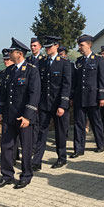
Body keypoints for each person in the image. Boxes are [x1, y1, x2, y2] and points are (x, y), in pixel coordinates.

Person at [0, 37, 41, 189]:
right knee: (6, 146)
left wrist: (28, 116)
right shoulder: (9, 71)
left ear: (19, 54)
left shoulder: (31, 71)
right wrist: (1, 111)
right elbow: (4, 94)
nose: (9, 53)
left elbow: (34, 95)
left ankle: (26, 175)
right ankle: (7, 175)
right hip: (9, 115)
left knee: (26, 147)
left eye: (11, 51)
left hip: (23, 117)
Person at [32, 35, 71, 171]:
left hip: (58, 104)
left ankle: (61, 157)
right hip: (44, 104)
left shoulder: (64, 63)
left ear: (56, 46)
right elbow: (39, 85)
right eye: (46, 47)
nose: (47, 49)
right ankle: (37, 161)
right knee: (41, 132)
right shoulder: (42, 63)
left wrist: (63, 105)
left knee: (60, 132)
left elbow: (66, 86)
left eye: (50, 47)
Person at [70, 35, 104, 158]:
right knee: (79, 124)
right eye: (79, 45)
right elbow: (74, 81)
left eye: (82, 45)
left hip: (93, 97)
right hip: (79, 97)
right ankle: (79, 149)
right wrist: (71, 96)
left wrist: (102, 96)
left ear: (89, 45)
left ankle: (100, 144)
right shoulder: (79, 61)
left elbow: (102, 79)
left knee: (95, 121)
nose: (79, 48)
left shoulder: (98, 59)